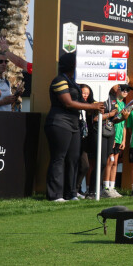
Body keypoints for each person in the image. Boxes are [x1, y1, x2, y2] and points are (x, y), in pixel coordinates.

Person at [45, 53, 105, 201]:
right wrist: (92, 106)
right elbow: (68, 103)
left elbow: (81, 103)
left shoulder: (74, 82)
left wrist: (95, 106)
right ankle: (55, 194)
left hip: (74, 124)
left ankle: (71, 193)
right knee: (59, 158)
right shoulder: (59, 80)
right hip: (59, 122)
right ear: (72, 64)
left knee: (73, 159)